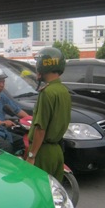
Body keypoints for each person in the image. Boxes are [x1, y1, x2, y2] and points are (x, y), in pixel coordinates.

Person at [26, 47, 71, 183]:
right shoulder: (63, 90)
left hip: (43, 152)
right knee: (53, 195)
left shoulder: (47, 93)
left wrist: (31, 155)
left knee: (39, 192)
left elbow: (40, 129)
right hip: (57, 151)